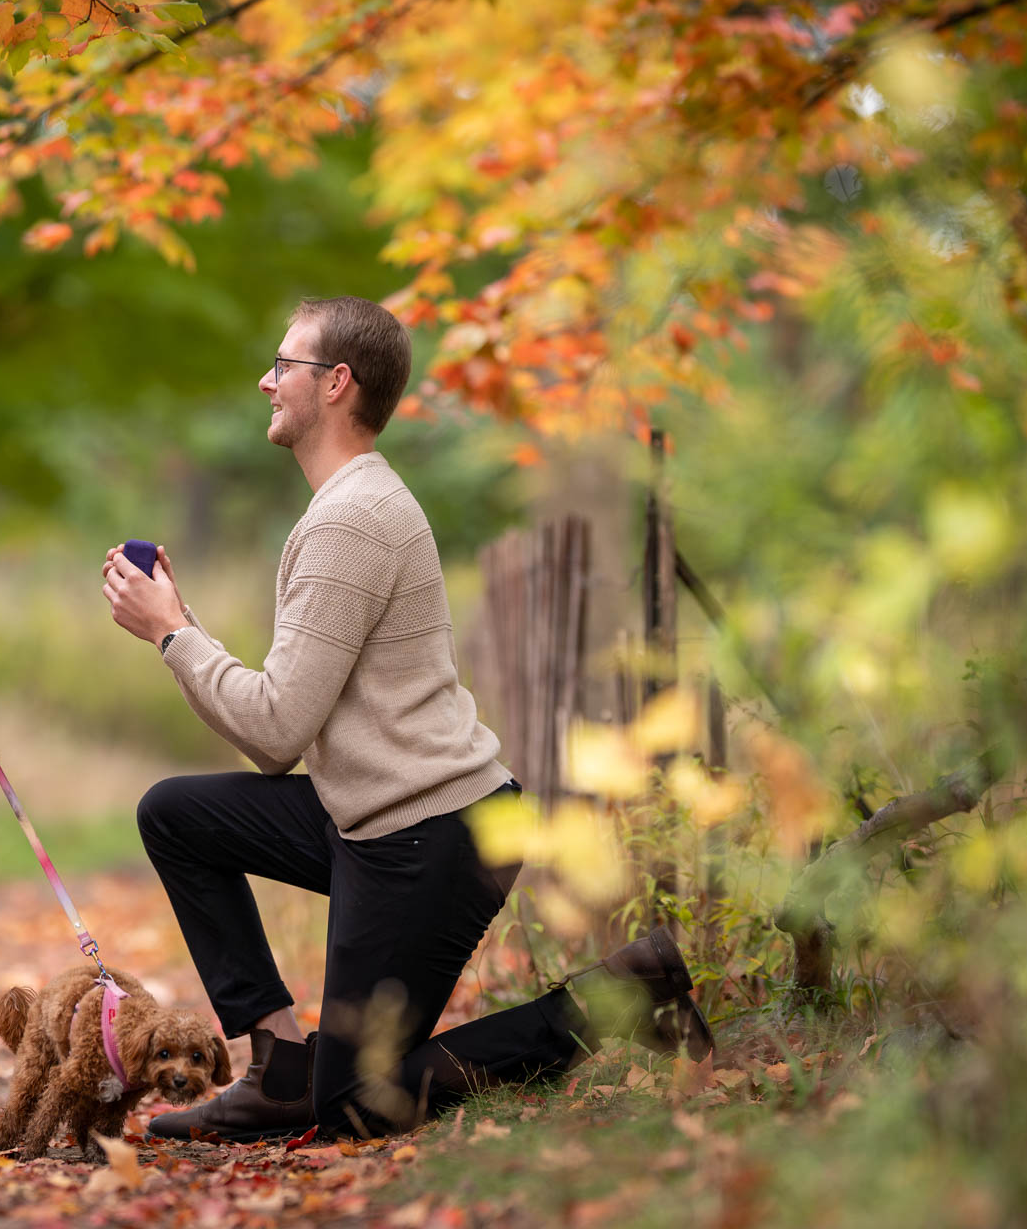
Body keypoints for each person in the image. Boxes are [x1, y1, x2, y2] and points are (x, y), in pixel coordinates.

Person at [100, 295, 712, 1140]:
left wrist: (171, 635)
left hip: (432, 839)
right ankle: (279, 1067)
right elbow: (285, 717)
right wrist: (182, 624)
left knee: (355, 1104)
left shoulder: (352, 521)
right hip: (373, 816)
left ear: (336, 383)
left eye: (284, 366)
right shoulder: (347, 507)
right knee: (177, 815)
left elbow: (276, 733)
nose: (265, 381)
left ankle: (619, 996)